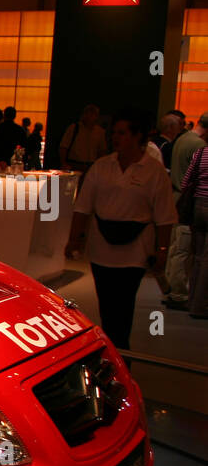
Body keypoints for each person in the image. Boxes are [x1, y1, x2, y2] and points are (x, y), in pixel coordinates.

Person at [65, 107, 176, 350]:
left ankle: (120, 355)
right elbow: (82, 207)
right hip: (102, 248)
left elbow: (165, 216)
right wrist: (73, 239)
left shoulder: (153, 170)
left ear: (137, 136)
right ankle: (112, 354)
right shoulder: (102, 166)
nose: (116, 137)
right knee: (106, 307)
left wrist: (163, 250)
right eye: (114, 132)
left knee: (123, 308)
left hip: (135, 250)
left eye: (123, 133)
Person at [167, 111, 208, 311]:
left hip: (181, 200)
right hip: (193, 203)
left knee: (177, 248)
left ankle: (173, 290)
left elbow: (185, 179)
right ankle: (182, 295)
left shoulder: (184, 139)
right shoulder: (200, 146)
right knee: (190, 252)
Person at [58, 103, 108, 176]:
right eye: (88, 114)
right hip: (74, 165)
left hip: (91, 166)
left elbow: (102, 151)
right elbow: (63, 147)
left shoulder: (100, 132)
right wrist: (64, 163)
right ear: (84, 115)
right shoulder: (74, 128)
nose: (90, 116)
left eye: (93, 114)